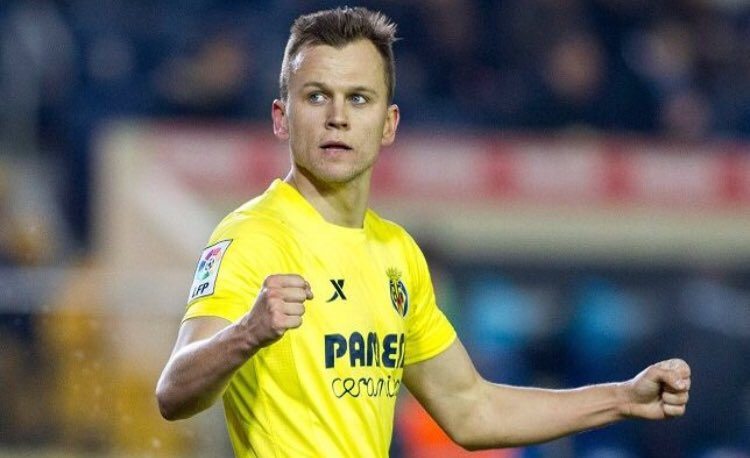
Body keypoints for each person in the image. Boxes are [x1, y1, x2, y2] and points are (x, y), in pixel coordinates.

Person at [156, 7, 691, 457]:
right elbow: (173, 392)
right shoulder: (253, 236)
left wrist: (623, 398)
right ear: (281, 117)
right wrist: (247, 333)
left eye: (358, 98)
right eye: (316, 96)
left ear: (388, 124)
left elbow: (471, 409)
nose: (338, 116)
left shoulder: (397, 253)